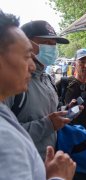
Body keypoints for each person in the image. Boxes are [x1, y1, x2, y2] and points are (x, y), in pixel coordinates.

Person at [0, 10, 76, 179]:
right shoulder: (5, 138)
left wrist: (64, 111)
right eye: (27, 54)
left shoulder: (47, 78)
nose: (32, 66)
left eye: (54, 44)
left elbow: (46, 114)